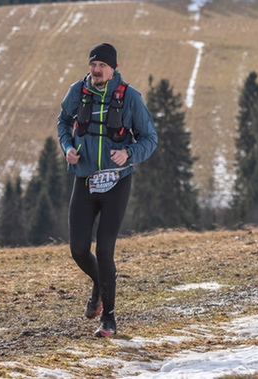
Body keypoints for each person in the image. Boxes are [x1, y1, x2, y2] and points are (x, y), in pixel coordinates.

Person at [57, 42, 158, 337]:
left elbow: (150, 139)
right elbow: (63, 122)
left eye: (102, 65)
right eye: (93, 65)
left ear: (113, 68)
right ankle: (100, 283)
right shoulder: (77, 91)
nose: (96, 70)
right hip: (85, 179)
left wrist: (129, 153)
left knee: (104, 249)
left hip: (117, 181)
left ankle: (109, 319)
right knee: (78, 249)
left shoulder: (130, 97)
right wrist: (67, 147)